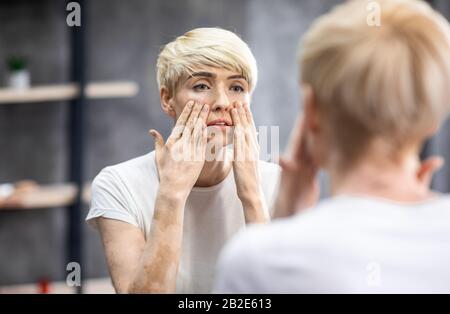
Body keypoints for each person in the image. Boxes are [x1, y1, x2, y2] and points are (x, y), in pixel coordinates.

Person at [214, 0, 450, 293]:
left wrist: (284, 224)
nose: (221, 103)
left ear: (311, 111)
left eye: (236, 88)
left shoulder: (253, 262)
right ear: (433, 121)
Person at [86, 27, 280, 293]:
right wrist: (171, 193)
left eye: (237, 87)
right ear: (168, 99)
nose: (222, 102)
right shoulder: (118, 184)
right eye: (201, 85)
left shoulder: (277, 182)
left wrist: (252, 196)